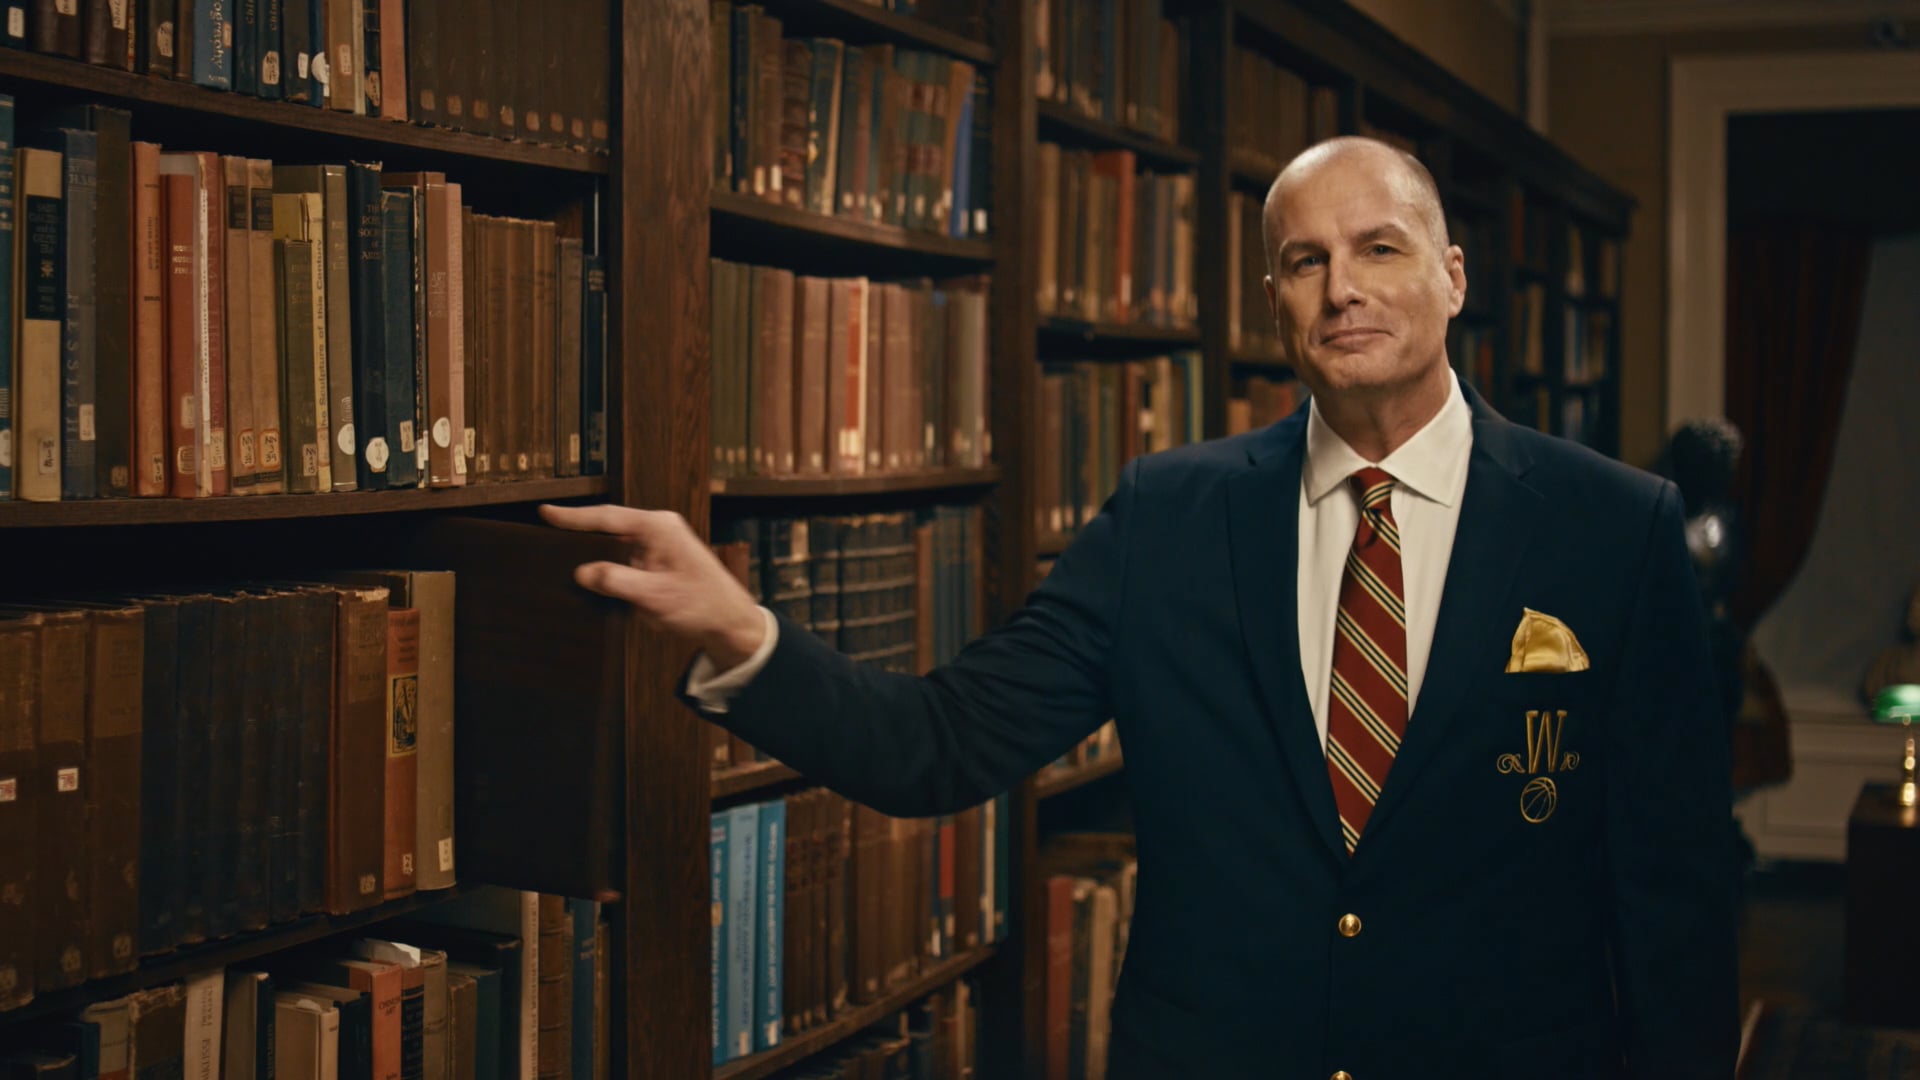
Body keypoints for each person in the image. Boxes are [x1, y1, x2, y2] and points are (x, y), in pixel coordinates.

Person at [541, 137, 1737, 1078]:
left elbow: (1674, 892)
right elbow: (941, 744)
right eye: (1305, 261)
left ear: (1451, 277)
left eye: (1379, 248)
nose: (1343, 291)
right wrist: (742, 633)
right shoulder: (1170, 515)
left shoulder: (1612, 530)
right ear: (1273, 296)